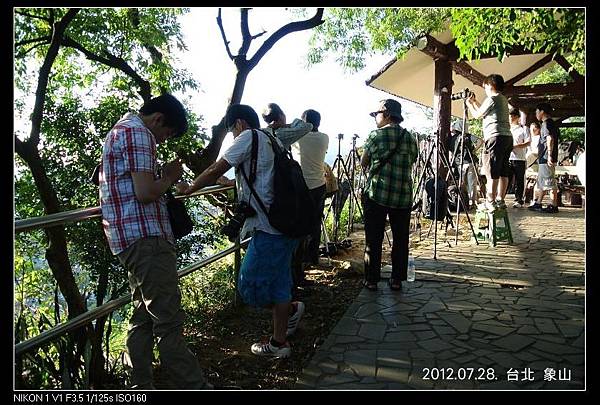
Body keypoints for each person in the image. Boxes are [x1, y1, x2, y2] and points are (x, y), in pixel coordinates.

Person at [176, 104, 304, 358]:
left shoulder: (247, 136)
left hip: (270, 227)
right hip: (288, 222)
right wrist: (233, 183)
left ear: (239, 124)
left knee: (248, 285)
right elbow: (264, 176)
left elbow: (216, 168)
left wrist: (189, 188)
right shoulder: (270, 139)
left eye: (231, 131)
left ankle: (290, 311)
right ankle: (279, 343)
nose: (233, 136)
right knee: (279, 284)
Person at [98, 94, 209, 389]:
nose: (162, 141)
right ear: (158, 119)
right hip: (146, 239)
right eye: (167, 133)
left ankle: (142, 385)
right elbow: (146, 192)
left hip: (129, 239)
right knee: (169, 321)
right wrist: (170, 177)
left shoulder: (121, 129)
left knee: (142, 317)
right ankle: (193, 387)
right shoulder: (139, 133)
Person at [361, 99, 418, 291]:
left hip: (378, 194)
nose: (375, 118)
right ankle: (396, 279)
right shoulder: (409, 138)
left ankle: (371, 280)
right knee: (401, 239)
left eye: (376, 114)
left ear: (385, 114)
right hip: (402, 196)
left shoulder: (375, 136)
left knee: (373, 238)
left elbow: (364, 162)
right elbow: (413, 159)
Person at [289, 109, 329, 285]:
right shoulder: (324, 138)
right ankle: (312, 258)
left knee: (299, 226)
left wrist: (299, 124)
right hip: (319, 186)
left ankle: (297, 263)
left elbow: (290, 129)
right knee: (315, 223)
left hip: (301, 187)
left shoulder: (298, 138)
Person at [466, 74, 513, 211]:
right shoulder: (502, 99)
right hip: (507, 137)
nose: (484, 89)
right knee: (503, 171)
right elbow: (484, 112)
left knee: (492, 171)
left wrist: (469, 105)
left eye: (485, 86)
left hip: (495, 137)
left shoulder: (492, 98)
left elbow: (477, 115)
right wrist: (474, 102)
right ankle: (500, 200)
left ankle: (490, 201)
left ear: (490, 85)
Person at [528, 103, 560, 213]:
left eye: (537, 112)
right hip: (544, 157)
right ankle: (538, 203)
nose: (536, 114)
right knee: (542, 181)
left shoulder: (547, 124)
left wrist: (550, 155)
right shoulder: (549, 124)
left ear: (542, 112)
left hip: (546, 157)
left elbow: (550, 139)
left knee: (549, 181)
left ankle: (553, 204)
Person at [448, 120, 480, 209]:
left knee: (462, 184)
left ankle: (465, 201)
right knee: (472, 183)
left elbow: (451, 150)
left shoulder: (452, 138)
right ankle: (472, 202)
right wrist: (474, 150)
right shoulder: (468, 136)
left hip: (459, 164)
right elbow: (480, 141)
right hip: (470, 162)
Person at [507, 108, 531, 208]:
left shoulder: (524, 128)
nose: (510, 118)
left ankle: (519, 200)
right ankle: (501, 198)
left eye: (511, 116)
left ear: (517, 117)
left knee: (519, 180)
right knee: (506, 178)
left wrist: (515, 146)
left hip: (520, 158)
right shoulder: (507, 128)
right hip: (507, 157)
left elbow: (528, 142)